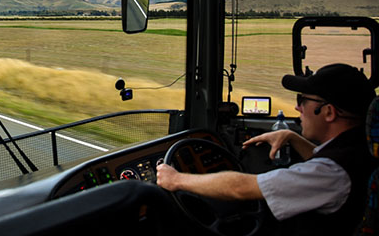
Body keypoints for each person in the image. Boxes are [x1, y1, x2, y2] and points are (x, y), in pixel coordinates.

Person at [156, 63, 377, 235]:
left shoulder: (331, 173)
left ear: (328, 112)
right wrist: (291, 136)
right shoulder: (362, 148)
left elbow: (241, 189)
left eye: (303, 100)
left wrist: (176, 180)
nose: (297, 107)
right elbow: (328, 163)